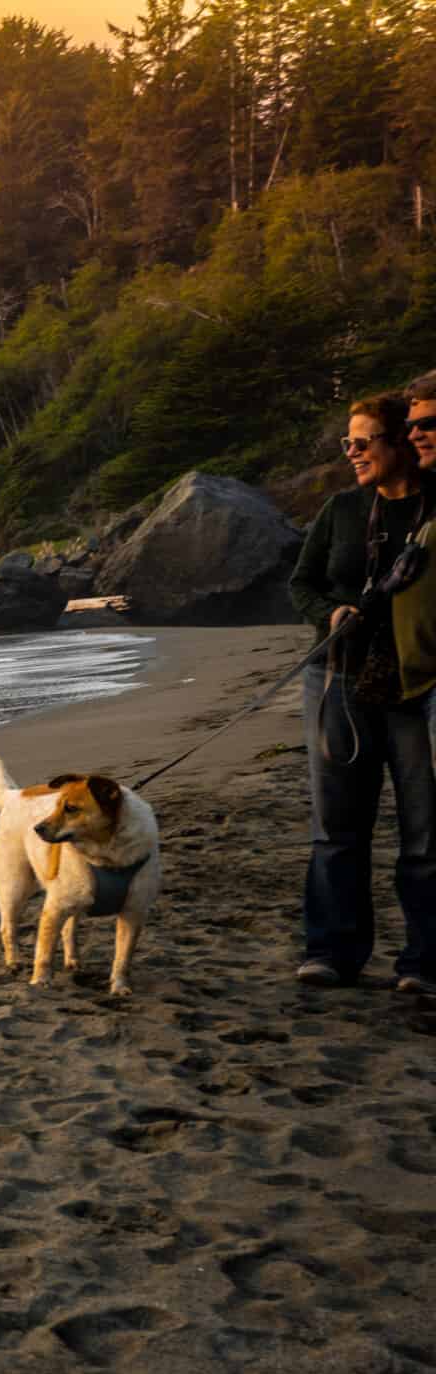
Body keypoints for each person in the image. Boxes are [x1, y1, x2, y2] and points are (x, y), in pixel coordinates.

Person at [287, 391, 436, 991]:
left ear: (402, 442)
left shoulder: (433, 510)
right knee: (337, 828)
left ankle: (424, 963)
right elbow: (302, 583)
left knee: (425, 835)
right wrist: (330, 612)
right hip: (338, 678)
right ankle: (331, 952)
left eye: (364, 441)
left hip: (417, 681)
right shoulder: (343, 509)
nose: (351, 452)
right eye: (347, 442)